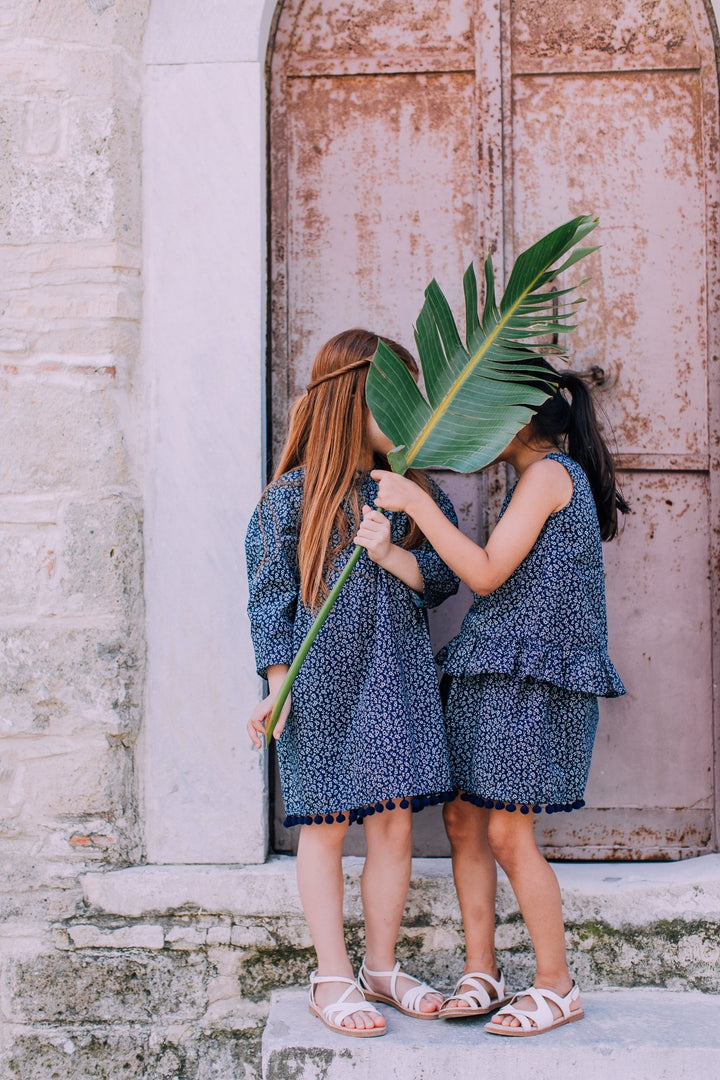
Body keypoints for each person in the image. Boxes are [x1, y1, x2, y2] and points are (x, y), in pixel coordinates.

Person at [370, 372, 628, 1037]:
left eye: (487, 420)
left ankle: (555, 985)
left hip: (531, 680)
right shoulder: (531, 479)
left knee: (511, 832)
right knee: (463, 821)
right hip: (493, 667)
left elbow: (483, 572)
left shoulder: (550, 474)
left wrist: (415, 505)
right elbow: (483, 575)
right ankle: (480, 972)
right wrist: (393, 548)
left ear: (518, 424)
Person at [245, 329, 459, 1038]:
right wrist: (279, 685)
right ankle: (331, 975)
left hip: (394, 673)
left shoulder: (409, 493)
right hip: (321, 684)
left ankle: (380, 966)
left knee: (393, 822)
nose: (405, 416)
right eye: (392, 399)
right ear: (352, 398)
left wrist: (392, 547)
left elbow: (442, 580)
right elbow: (270, 601)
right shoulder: (288, 501)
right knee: (328, 825)